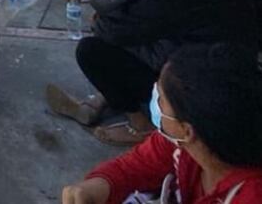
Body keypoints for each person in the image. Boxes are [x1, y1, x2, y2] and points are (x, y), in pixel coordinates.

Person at [49, 0, 257, 147]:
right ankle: (109, 98)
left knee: (92, 50)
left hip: (204, 90)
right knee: (128, 29)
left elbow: (110, 12)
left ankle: (141, 126)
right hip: (217, 63)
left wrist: (106, 18)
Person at [60, 43, 262, 203]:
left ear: (187, 129)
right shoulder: (182, 143)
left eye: (160, 100)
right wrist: (99, 186)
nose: (155, 104)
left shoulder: (251, 195)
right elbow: (136, 166)